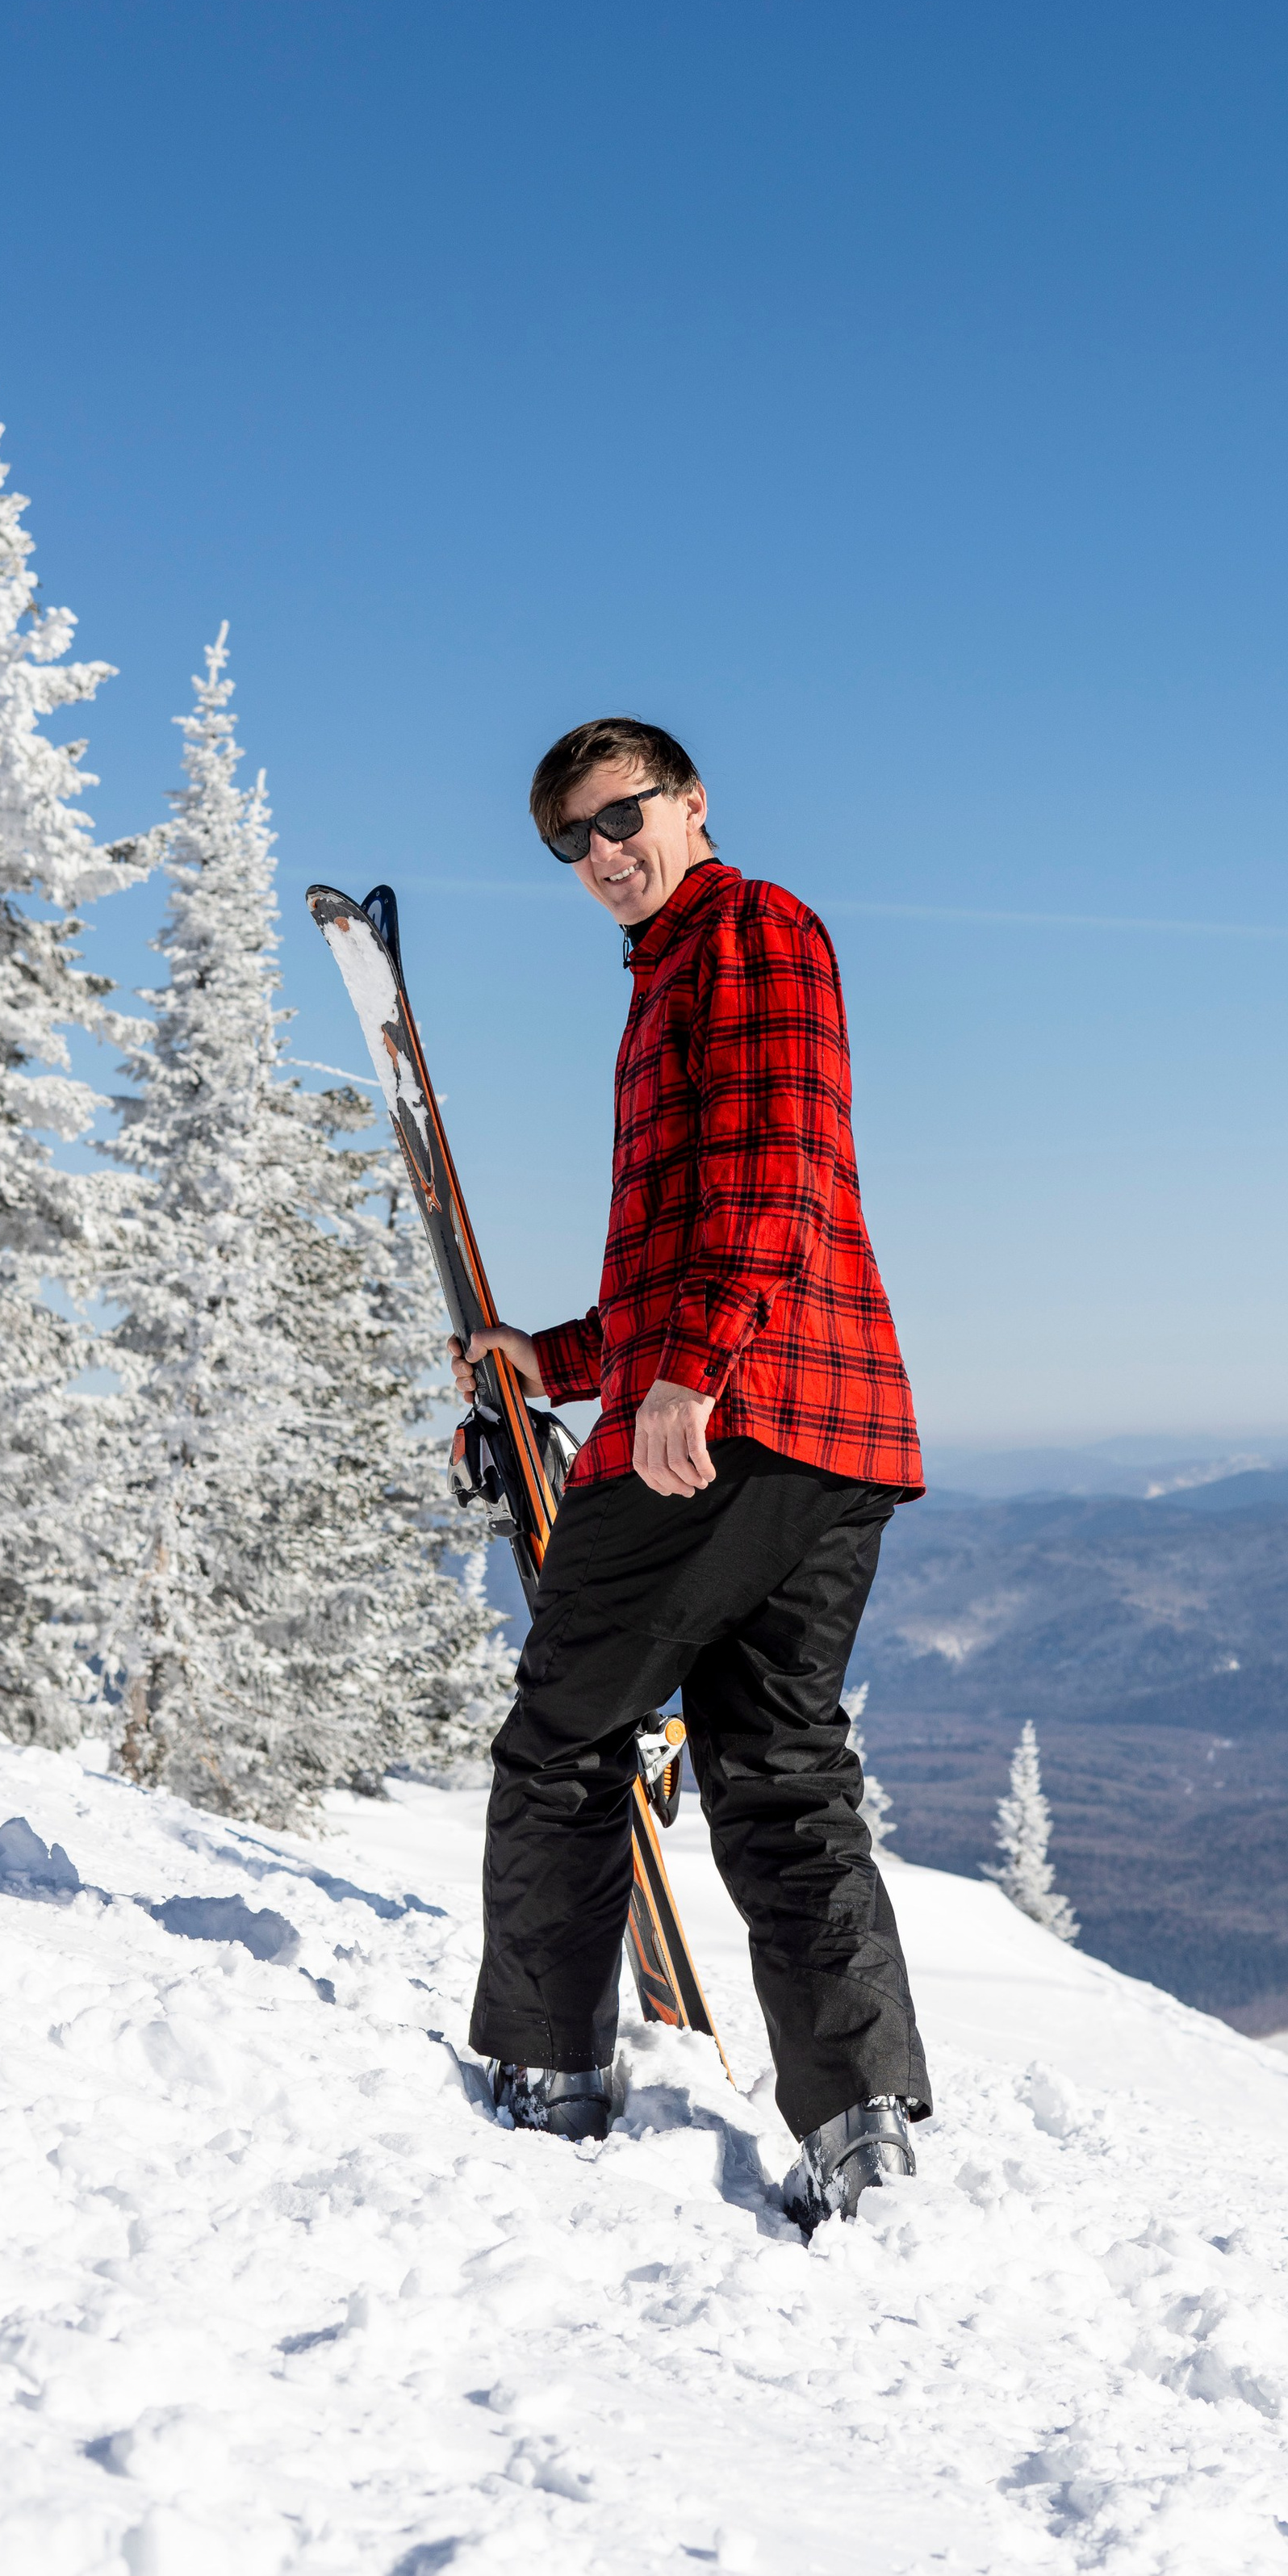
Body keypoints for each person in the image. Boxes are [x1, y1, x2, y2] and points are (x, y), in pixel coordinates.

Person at [452, 714, 929, 2227]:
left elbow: (784, 1163)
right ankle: (859, 2129)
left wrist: (692, 1371)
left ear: (691, 801)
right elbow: (694, 1243)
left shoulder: (753, 931)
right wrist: (568, 1360)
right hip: (825, 1432)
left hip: (730, 1426)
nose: (602, 855)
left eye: (621, 817)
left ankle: (551, 2076)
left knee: (563, 1741)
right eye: (572, 842)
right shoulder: (672, 973)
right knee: (781, 1770)